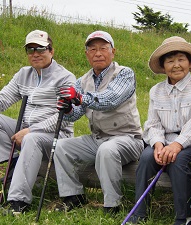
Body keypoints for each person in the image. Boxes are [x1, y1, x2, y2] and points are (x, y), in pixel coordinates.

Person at [0, 30, 76, 214]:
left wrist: (32, 130)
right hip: (27, 131)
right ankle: (12, 168)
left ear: (51, 51)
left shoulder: (65, 77)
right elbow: (3, 98)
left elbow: (64, 117)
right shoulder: (23, 74)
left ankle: (18, 203)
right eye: (30, 49)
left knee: (32, 139)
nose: (35, 54)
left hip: (57, 137)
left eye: (41, 49)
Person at [127, 36, 191, 225]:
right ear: (163, 66)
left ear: (190, 63)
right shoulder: (156, 90)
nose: (176, 65)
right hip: (165, 142)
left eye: (181, 59)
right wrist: (158, 144)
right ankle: (139, 213)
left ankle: (184, 216)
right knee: (146, 157)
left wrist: (177, 145)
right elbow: (152, 123)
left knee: (179, 160)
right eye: (170, 61)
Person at [54, 30, 144, 213]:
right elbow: (75, 114)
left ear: (113, 51)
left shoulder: (124, 73)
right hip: (98, 138)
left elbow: (110, 99)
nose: (98, 53)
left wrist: (79, 97)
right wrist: (67, 108)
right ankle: (73, 196)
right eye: (92, 49)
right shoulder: (82, 80)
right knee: (62, 147)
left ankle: (112, 204)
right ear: (87, 54)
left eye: (103, 48)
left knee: (107, 150)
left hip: (128, 138)